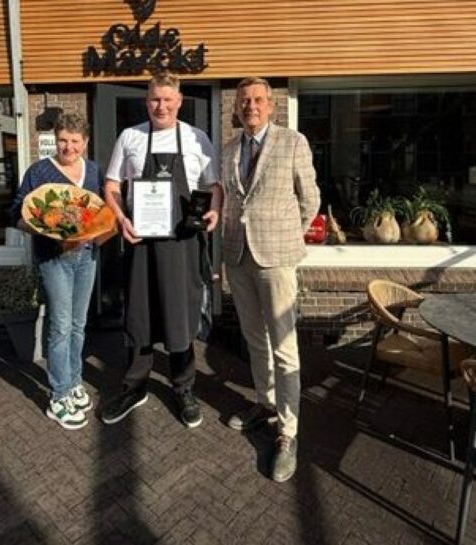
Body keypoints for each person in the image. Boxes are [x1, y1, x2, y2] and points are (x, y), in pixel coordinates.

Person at [100, 73, 222, 428]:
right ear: (146, 100)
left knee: (180, 314)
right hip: (141, 242)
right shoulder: (131, 136)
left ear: (179, 101)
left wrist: (215, 210)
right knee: (140, 314)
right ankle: (134, 386)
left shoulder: (197, 139)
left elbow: (214, 186)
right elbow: (112, 184)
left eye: (168, 99)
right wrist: (120, 218)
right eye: (155, 99)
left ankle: (184, 387)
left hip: (183, 244)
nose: (161, 106)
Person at [221, 77, 320, 482]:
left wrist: (286, 238)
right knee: (254, 339)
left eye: (258, 99)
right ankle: (265, 404)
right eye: (244, 100)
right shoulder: (229, 149)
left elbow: (310, 199)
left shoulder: (292, 142)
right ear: (236, 107)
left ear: (271, 106)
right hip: (238, 257)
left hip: (276, 258)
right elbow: (231, 202)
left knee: (284, 346)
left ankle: (288, 431)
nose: (251, 106)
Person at [11, 112, 103, 430]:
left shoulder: (93, 171)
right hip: (54, 259)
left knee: (78, 324)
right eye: (63, 140)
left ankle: (74, 381)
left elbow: (100, 213)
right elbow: (16, 213)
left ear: (85, 142)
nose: (68, 147)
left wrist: (99, 230)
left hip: (87, 256)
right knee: (61, 326)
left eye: (75, 141)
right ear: (55, 139)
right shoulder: (39, 172)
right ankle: (58, 396)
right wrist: (44, 230)